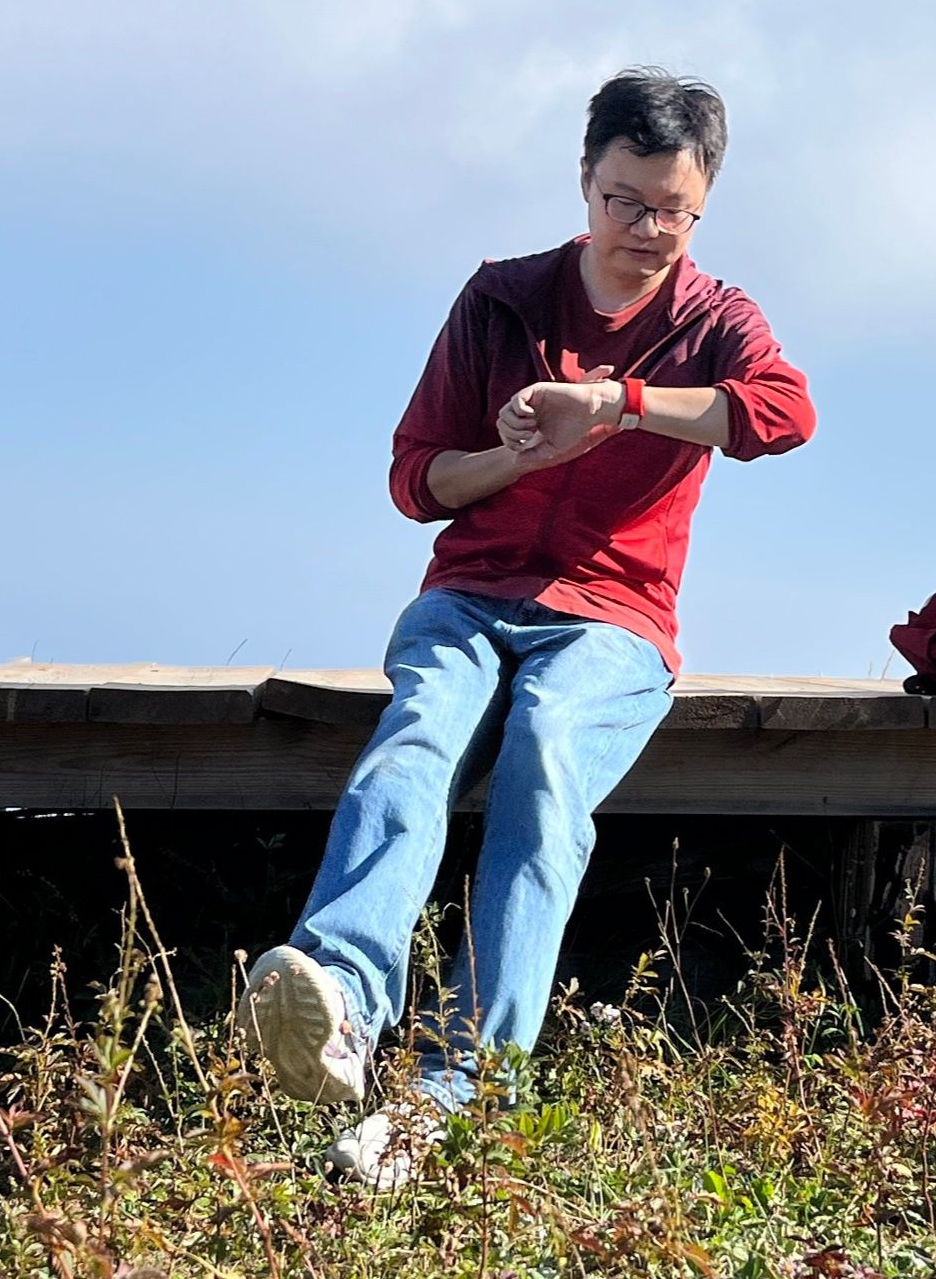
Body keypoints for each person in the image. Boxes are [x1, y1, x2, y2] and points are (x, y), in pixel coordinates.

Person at [238, 67, 817, 1187]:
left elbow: (783, 415)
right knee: (416, 741)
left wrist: (618, 405)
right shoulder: (499, 298)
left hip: (612, 615)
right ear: (583, 180)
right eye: (622, 201)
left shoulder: (713, 318)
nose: (645, 230)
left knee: (546, 761)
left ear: (702, 204)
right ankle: (342, 1005)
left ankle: (456, 1090)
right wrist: (517, 454)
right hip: (469, 594)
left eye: (672, 211)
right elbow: (416, 479)